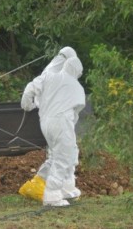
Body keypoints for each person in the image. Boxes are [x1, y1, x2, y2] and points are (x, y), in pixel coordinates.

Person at [21, 57, 85, 206]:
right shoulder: (76, 86)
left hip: (45, 122)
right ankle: (52, 195)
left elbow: (30, 88)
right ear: (76, 71)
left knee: (57, 155)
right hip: (62, 122)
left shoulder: (49, 76)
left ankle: (65, 190)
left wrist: (27, 105)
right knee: (64, 157)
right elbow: (75, 114)